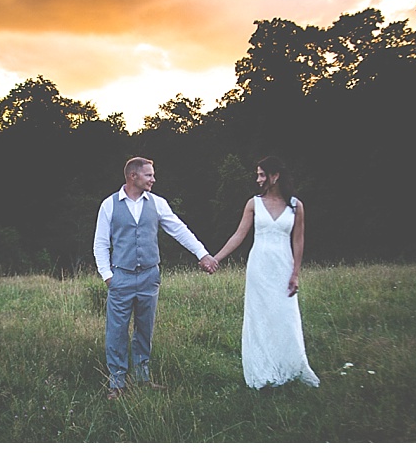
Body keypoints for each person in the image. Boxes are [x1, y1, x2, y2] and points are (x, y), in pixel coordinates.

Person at [94, 157, 218, 400]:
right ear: (133, 176)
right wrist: (108, 276)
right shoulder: (109, 205)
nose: (153, 179)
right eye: (149, 175)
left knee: (145, 329)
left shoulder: (158, 203)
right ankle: (117, 383)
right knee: (116, 331)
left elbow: (179, 229)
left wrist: (202, 254)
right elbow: (100, 243)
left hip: (150, 276)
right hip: (121, 277)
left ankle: (142, 378)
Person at [214, 156, 319, 389]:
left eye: (262, 174)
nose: (258, 179)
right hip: (259, 266)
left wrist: (295, 274)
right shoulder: (253, 203)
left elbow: (298, 242)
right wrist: (216, 258)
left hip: (283, 265)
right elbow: (238, 236)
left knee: (285, 316)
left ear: (275, 176)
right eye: (258, 174)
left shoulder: (296, 206)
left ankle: (290, 367)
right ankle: (263, 371)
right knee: (259, 317)